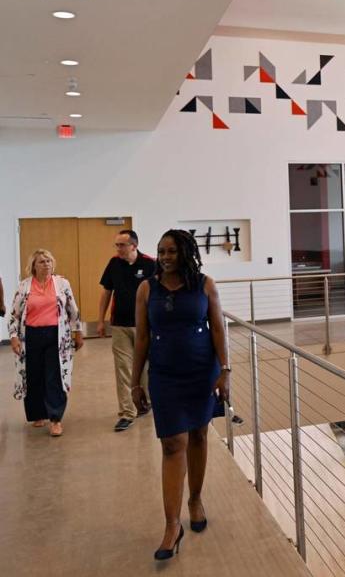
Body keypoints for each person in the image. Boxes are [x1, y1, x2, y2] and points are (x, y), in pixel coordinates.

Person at [130, 230, 229, 561]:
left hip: (202, 373)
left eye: (172, 251)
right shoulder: (147, 289)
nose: (165, 256)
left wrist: (224, 371)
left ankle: (195, 499)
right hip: (164, 377)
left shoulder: (205, 285)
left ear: (186, 253)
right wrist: (135, 382)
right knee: (173, 444)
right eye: (161, 251)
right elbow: (142, 337)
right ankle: (172, 525)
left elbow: (218, 328)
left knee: (199, 436)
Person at [7, 249, 82, 437]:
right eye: (41, 261)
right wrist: (14, 336)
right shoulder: (24, 286)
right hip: (31, 335)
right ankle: (38, 414)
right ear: (33, 266)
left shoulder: (62, 284)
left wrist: (77, 331)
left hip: (56, 336)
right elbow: (14, 314)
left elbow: (72, 309)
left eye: (49, 260)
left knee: (54, 375)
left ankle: (55, 418)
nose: (46, 264)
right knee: (34, 375)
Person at [98, 229, 156, 431]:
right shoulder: (114, 264)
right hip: (120, 325)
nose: (118, 249)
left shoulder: (150, 264)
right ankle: (126, 412)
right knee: (123, 368)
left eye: (122, 245)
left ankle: (144, 402)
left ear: (134, 245)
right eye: (117, 245)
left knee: (145, 368)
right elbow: (106, 292)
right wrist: (100, 320)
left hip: (145, 326)